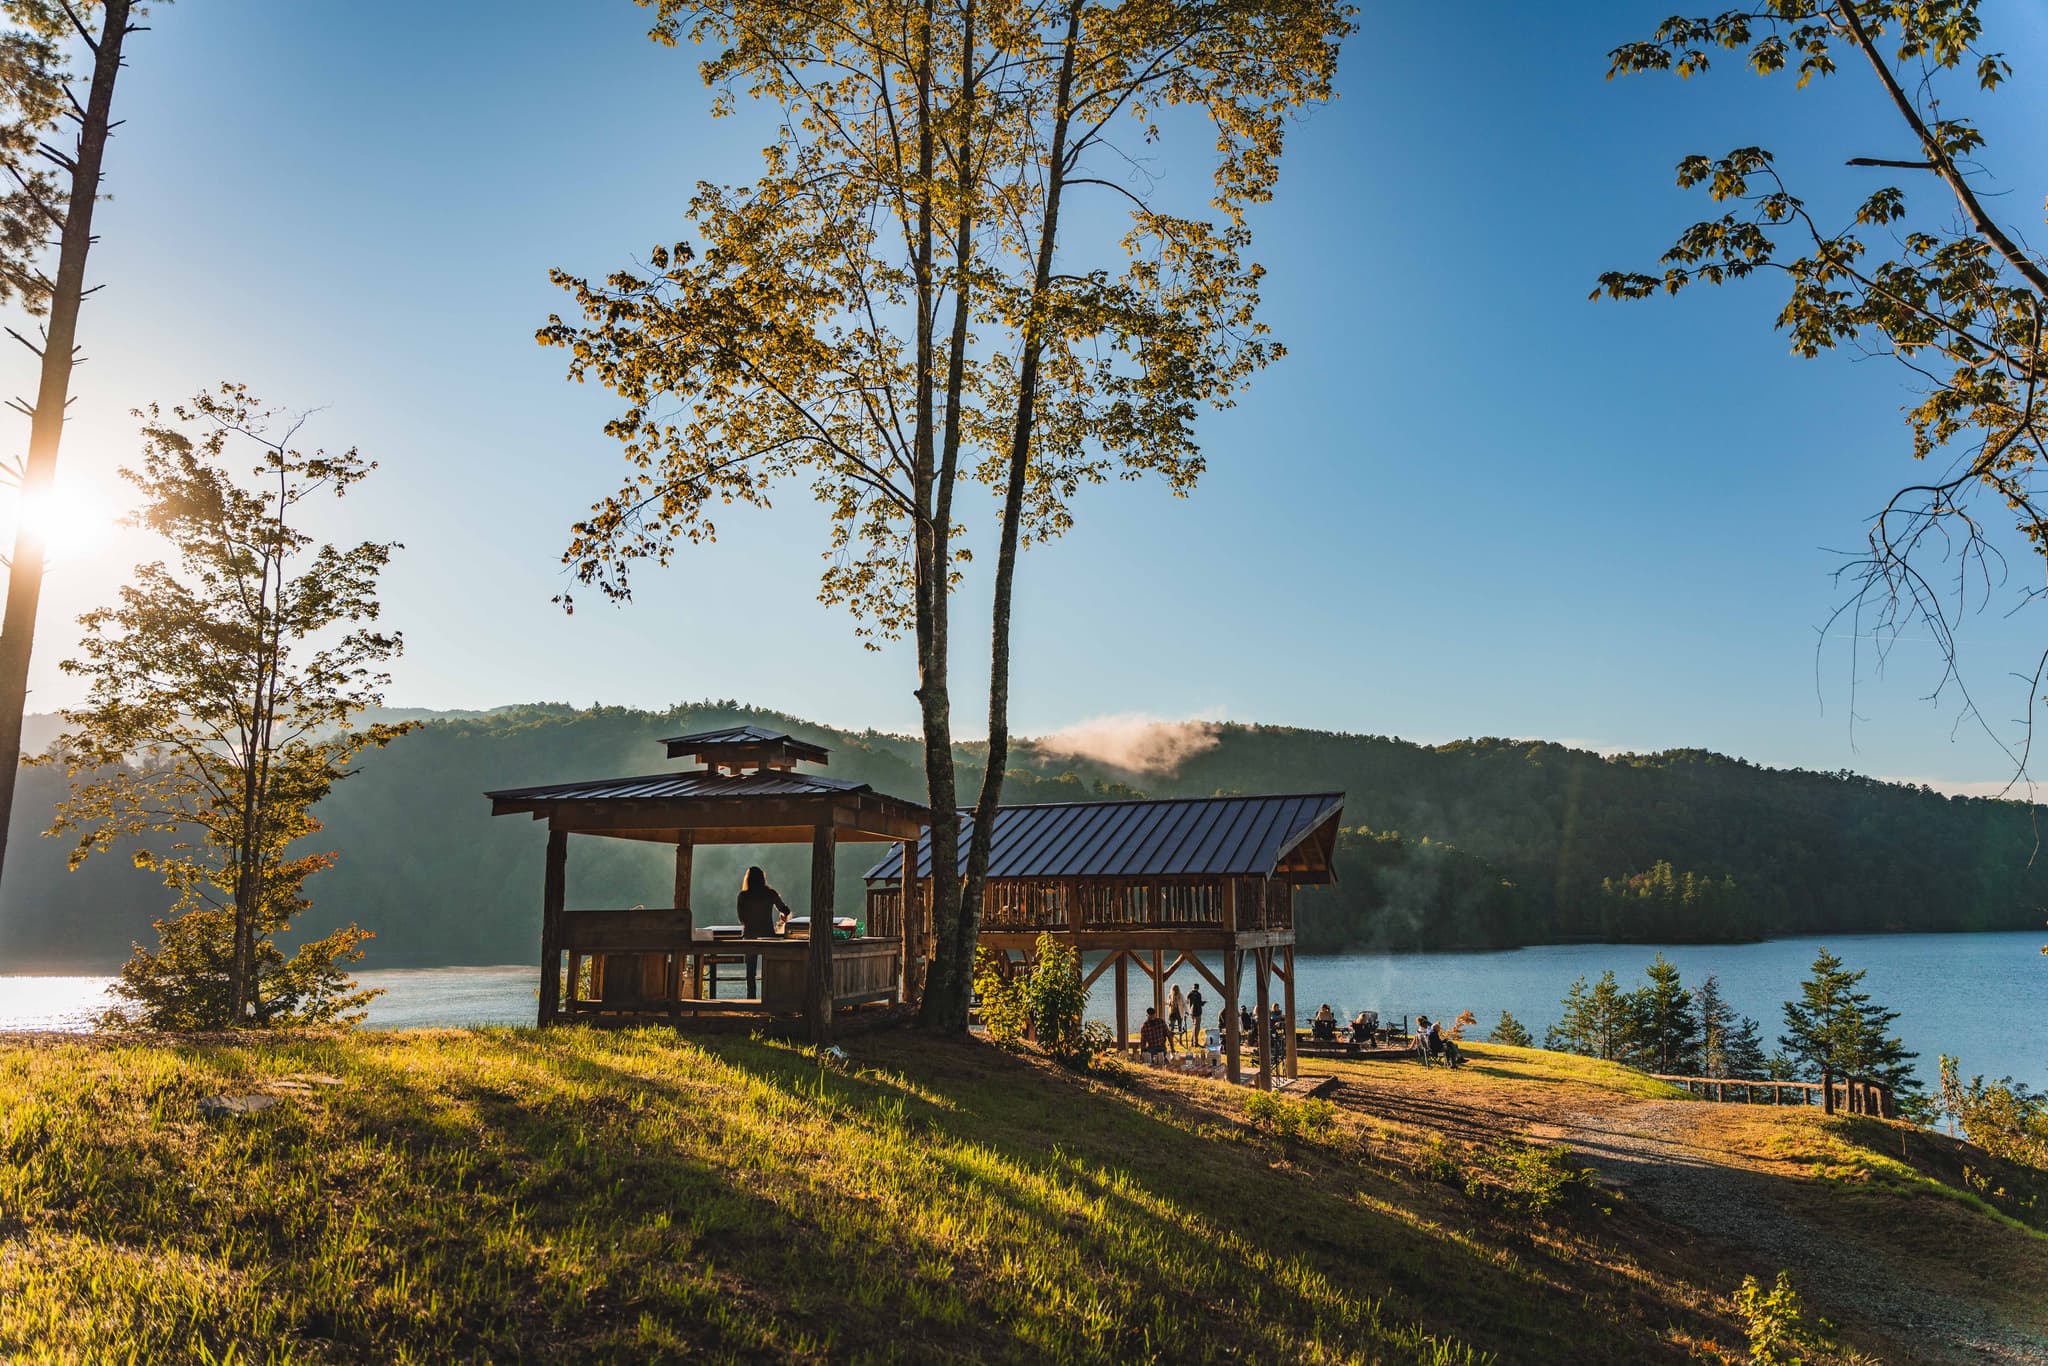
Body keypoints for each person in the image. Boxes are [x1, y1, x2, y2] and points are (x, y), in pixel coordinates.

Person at [736, 866, 792, 939]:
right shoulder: (770, 894)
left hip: (749, 936)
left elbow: (741, 919)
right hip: (767, 935)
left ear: (748, 879)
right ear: (762, 878)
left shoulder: (743, 896)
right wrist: (783, 918)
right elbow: (786, 911)